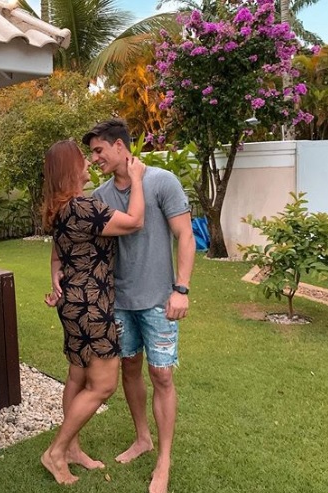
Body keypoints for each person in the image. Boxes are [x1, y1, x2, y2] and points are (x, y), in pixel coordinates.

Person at [82, 119, 196, 493]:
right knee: (129, 368)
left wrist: (181, 289)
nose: (94, 158)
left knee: (161, 375)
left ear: (120, 146)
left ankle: (164, 460)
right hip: (120, 301)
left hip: (160, 300)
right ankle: (142, 438)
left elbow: (185, 236)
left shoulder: (162, 181)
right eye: (92, 153)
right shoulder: (100, 195)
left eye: (99, 150)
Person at [41, 139, 146, 485]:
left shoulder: (59, 209)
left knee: (77, 376)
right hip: (92, 305)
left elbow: (57, 256)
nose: (89, 162)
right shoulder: (83, 206)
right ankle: (56, 452)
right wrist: (137, 179)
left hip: (72, 303)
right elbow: (134, 221)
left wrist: (54, 276)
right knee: (103, 385)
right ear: (71, 169)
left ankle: (72, 449)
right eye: (83, 159)